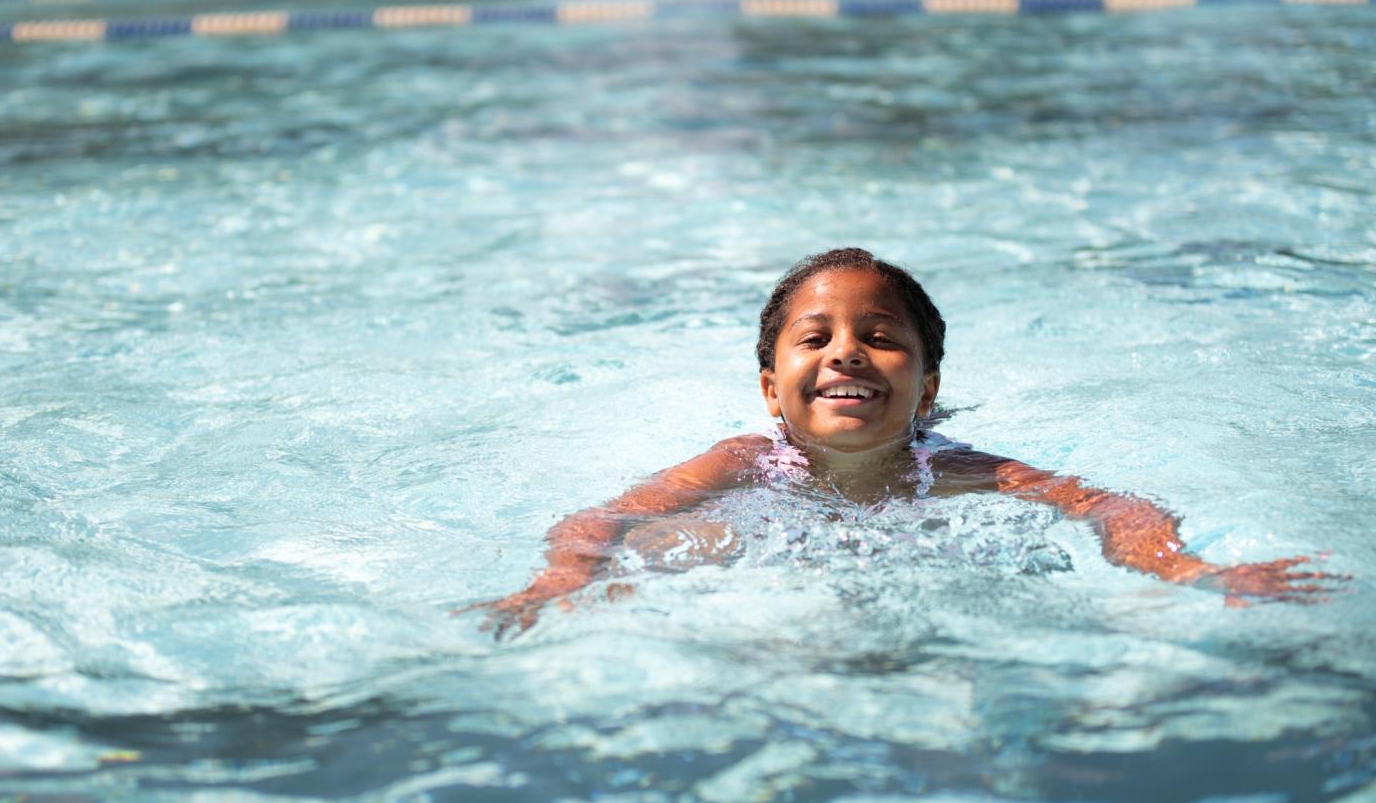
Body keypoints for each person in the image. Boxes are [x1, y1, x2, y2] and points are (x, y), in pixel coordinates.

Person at [474, 248, 1341, 637]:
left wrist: (1190, 571)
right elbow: (606, 515)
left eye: (879, 336)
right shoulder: (744, 461)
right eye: (814, 338)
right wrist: (557, 583)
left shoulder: (957, 469)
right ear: (773, 389)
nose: (846, 349)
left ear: (926, 388)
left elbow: (1106, 502)